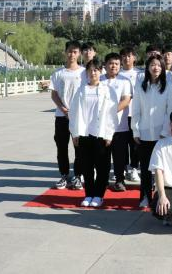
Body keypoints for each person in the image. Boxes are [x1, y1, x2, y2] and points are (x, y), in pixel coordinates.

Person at [69, 58, 123, 207]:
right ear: (86, 72)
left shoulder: (107, 90)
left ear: (101, 71)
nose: (93, 73)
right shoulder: (81, 90)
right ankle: (88, 194)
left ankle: (99, 195)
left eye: (96, 70)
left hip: (101, 133)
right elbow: (73, 113)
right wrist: (74, 133)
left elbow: (112, 114)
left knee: (102, 166)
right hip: (84, 133)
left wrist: (109, 134)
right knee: (87, 166)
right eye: (90, 70)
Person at [131, 54, 172, 208]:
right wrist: (136, 131)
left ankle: (162, 197)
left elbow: (171, 111)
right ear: (148, 68)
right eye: (152, 65)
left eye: (158, 65)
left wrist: (165, 131)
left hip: (162, 135)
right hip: (144, 133)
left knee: (162, 169)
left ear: (163, 68)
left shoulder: (168, 87)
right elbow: (136, 110)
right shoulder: (141, 87)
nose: (155, 68)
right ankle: (145, 196)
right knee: (145, 168)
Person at [49, 40, 85, 190]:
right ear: (65, 52)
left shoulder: (84, 72)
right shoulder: (58, 73)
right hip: (61, 116)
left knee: (79, 148)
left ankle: (78, 176)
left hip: (79, 117)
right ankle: (64, 175)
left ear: (79, 54)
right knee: (61, 147)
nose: (72, 54)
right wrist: (64, 109)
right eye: (69, 51)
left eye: (75, 51)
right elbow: (54, 94)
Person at [99, 53, 133, 192]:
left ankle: (120, 180)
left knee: (119, 156)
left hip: (120, 126)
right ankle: (102, 180)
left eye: (117, 64)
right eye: (111, 63)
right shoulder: (99, 80)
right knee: (103, 155)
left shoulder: (124, 81)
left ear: (120, 65)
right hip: (101, 126)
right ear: (105, 65)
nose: (114, 66)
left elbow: (126, 100)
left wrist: (111, 112)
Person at [119, 46, 142, 183]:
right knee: (121, 144)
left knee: (135, 144)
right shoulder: (117, 73)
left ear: (134, 58)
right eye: (124, 56)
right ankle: (123, 168)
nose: (127, 58)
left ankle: (134, 168)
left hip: (135, 113)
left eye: (129, 55)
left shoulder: (140, 74)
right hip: (120, 115)